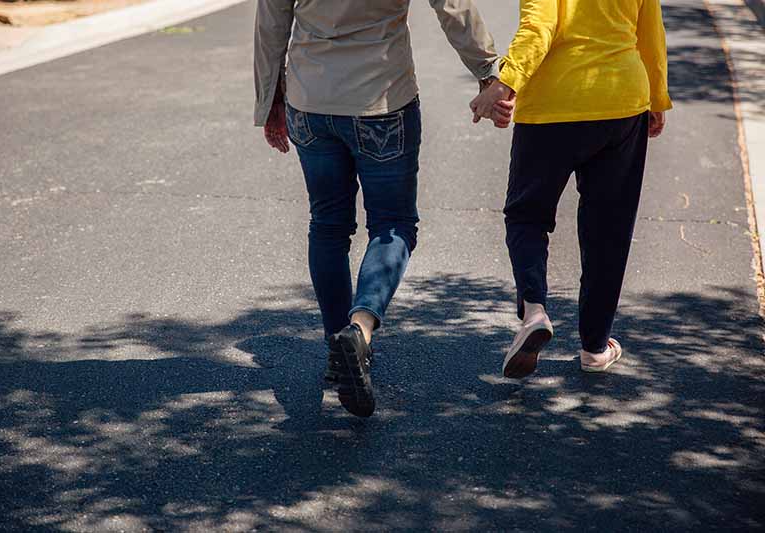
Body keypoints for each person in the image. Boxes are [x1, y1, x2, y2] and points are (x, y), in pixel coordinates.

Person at [254, 0, 513, 417]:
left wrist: (269, 100)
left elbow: (271, 21)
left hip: (311, 101)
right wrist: (489, 72)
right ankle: (359, 330)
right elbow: (453, 7)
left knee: (328, 227)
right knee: (392, 226)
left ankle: (338, 350)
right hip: (382, 101)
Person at [470, 0, 672, 378]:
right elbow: (651, 34)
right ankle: (595, 347)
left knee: (527, 215)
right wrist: (657, 96)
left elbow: (540, 25)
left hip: (552, 105)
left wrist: (506, 82)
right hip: (622, 100)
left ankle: (534, 312)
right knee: (608, 230)